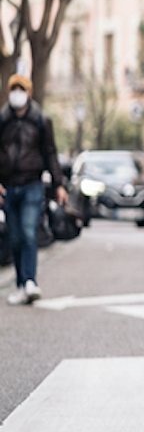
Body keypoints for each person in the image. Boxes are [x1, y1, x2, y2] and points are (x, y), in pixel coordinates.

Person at [0, 74, 67, 305]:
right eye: (13, 89)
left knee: (29, 232)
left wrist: (58, 184)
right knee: (15, 237)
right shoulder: (2, 119)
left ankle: (30, 281)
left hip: (32, 185)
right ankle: (20, 284)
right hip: (9, 186)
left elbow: (50, 152)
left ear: (29, 93)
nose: (16, 93)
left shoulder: (40, 120)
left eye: (21, 89)